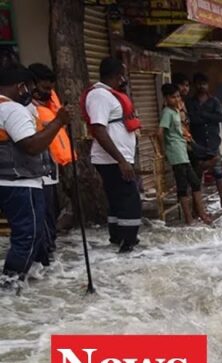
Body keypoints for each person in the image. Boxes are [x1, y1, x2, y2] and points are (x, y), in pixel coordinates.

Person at [0, 65, 70, 286]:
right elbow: (30, 146)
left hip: (8, 181)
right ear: (21, 87)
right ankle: (10, 285)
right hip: (21, 183)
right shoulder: (12, 110)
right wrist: (59, 122)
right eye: (29, 87)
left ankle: (24, 281)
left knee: (27, 234)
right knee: (28, 235)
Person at [81, 57, 142, 253]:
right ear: (117, 76)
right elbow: (98, 129)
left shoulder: (109, 94)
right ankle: (128, 243)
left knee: (118, 200)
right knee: (130, 199)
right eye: (123, 75)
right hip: (113, 160)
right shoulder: (100, 96)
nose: (125, 79)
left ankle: (119, 239)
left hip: (117, 158)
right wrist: (121, 161)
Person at [28, 63, 72, 259]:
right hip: (35, 174)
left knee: (50, 215)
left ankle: (49, 254)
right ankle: (43, 257)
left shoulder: (50, 108)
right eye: (45, 88)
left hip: (50, 171)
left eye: (50, 89)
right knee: (42, 218)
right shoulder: (26, 110)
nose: (48, 93)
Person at [160, 83, 211, 226]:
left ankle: (200, 214)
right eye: (172, 97)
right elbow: (160, 132)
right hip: (175, 153)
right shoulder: (167, 113)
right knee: (183, 186)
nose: (176, 99)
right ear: (166, 98)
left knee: (194, 182)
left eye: (177, 96)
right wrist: (163, 150)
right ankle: (189, 218)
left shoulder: (176, 111)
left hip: (182, 151)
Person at [187, 73, 222, 208]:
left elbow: (220, 118)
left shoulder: (214, 101)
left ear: (208, 85)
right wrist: (208, 117)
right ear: (195, 85)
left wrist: (202, 115)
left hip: (213, 142)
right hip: (197, 143)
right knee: (198, 175)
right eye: (199, 83)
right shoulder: (190, 102)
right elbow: (192, 119)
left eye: (204, 83)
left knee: (218, 172)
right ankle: (199, 205)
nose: (201, 86)